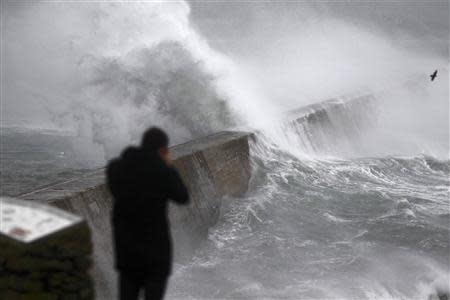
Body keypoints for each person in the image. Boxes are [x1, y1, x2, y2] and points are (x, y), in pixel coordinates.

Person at [107, 127, 189, 300]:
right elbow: (182, 197)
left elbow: (115, 186)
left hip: (127, 255)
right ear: (162, 150)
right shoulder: (163, 173)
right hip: (156, 257)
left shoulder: (116, 169)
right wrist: (169, 166)